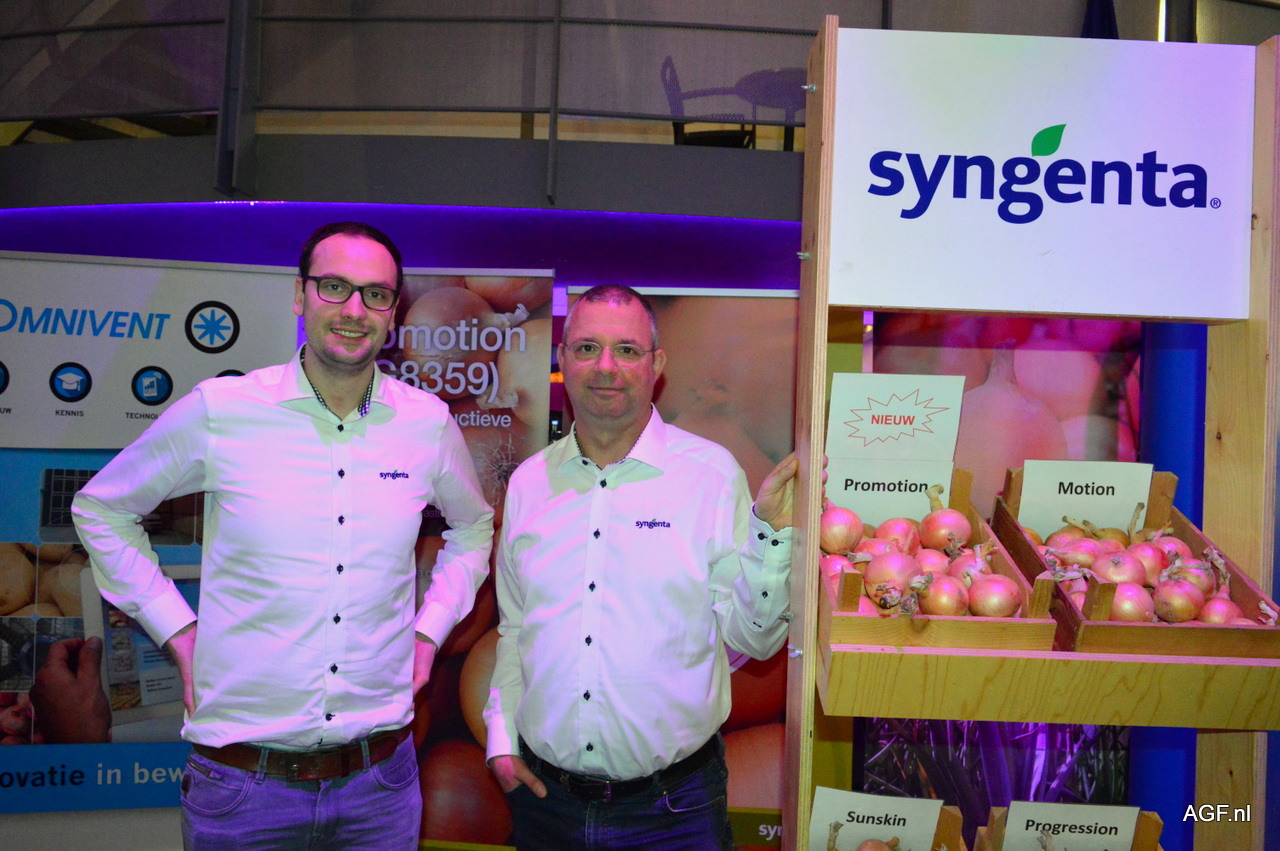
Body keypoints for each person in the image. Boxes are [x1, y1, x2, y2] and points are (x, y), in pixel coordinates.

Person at [72, 221, 494, 849]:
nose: (354, 310)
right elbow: (101, 509)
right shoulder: (223, 410)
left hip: (380, 786)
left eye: (375, 294)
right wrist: (179, 632)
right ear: (300, 295)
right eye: (334, 287)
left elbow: (474, 528)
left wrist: (429, 633)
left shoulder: (426, 424)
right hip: (244, 789)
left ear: (393, 313)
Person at [484, 283, 799, 850]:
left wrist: (773, 536)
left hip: (673, 814)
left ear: (657, 365)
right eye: (587, 348)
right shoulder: (529, 483)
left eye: (627, 350)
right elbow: (515, 628)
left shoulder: (710, 476)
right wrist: (501, 738)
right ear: (563, 360)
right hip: (545, 807)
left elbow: (754, 639)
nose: (606, 367)